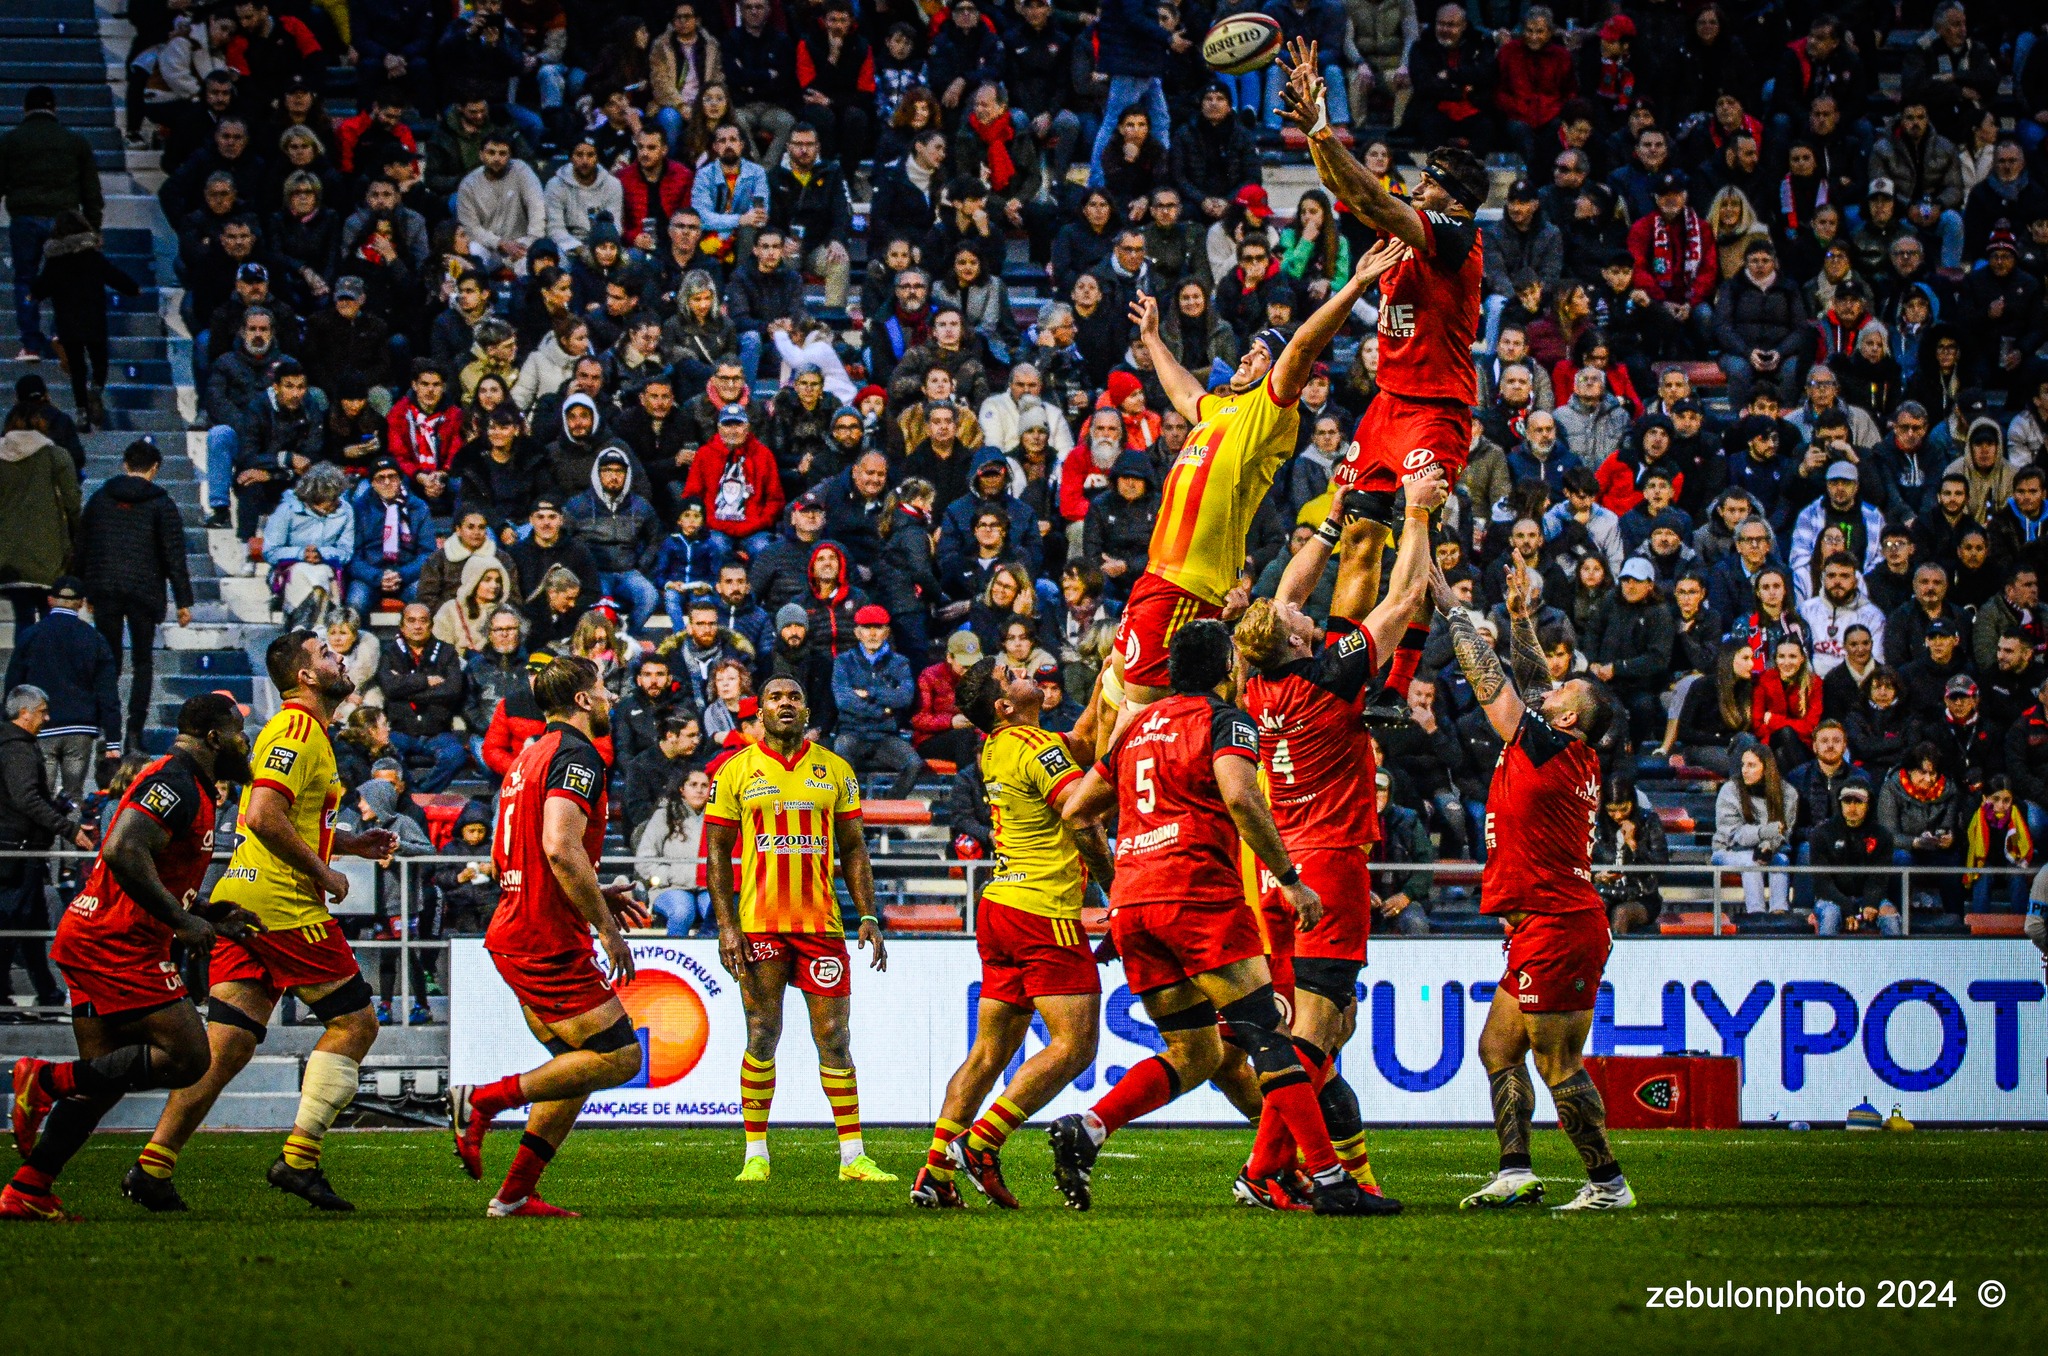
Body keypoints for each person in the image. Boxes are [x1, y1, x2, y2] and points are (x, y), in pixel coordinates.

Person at [1053, 620, 1388, 1216]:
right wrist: (1288, 879)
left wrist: (1119, 884)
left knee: (1196, 1052)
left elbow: (1078, 811)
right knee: (1270, 1037)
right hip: (1196, 898)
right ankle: (1332, 1180)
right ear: (1223, 666)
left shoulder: (1135, 729)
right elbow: (1240, 795)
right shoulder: (1224, 719)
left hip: (1135, 907)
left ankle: (1091, 1126)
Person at [1231, 464, 1448, 1201]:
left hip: (1282, 862)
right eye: (1299, 622)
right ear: (1294, 645)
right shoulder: (1330, 678)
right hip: (1328, 864)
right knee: (1317, 1033)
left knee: (1336, 1022)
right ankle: (1268, 1172)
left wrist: (1329, 529)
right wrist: (1416, 517)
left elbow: (1285, 595)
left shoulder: (1259, 681)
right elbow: (1404, 597)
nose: (1305, 613)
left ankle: (1274, 1169)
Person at [1095, 241, 1405, 742]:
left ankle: (1126, 816)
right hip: (1157, 577)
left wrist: (1353, 286)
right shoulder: (1219, 410)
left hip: (1187, 587)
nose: (1247, 356)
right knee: (1106, 700)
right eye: (1251, 348)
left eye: (1262, 355)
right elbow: (1185, 393)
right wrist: (1152, 339)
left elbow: (1302, 346)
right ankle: (1083, 816)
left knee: (1136, 720)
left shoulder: (1270, 412)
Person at [133, 630, 399, 1212]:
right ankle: (299, 1160)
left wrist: (348, 844)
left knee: (226, 1044)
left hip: (243, 898)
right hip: (281, 907)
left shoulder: (305, 734)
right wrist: (327, 876)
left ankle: (153, 1165)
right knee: (356, 1025)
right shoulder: (300, 730)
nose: (341, 659)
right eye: (328, 655)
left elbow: (284, 816)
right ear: (305, 677)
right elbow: (262, 811)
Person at [1425, 556, 1635, 1212]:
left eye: (1568, 692)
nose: (1557, 687)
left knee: (1558, 1065)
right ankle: (1516, 1170)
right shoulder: (1561, 744)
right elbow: (1534, 679)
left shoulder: (1553, 746)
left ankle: (1607, 1182)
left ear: (1569, 721)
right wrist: (1519, 621)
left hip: (1559, 922)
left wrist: (1452, 608)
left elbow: (1493, 685)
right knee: (1497, 1046)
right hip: (1539, 922)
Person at [2, 695, 253, 1220]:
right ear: (212, 737)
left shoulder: (190, 784)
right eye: (237, 732)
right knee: (190, 1057)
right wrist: (184, 923)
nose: (244, 742)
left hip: (95, 936)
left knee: (102, 1081)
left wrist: (203, 909)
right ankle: (43, 1079)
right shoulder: (175, 782)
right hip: (116, 945)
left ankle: (29, 1187)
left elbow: (152, 865)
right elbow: (121, 850)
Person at [447, 657, 649, 1218]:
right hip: (543, 936)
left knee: (576, 1063)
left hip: (521, 922)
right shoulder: (577, 755)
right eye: (604, 688)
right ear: (584, 699)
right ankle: (480, 1100)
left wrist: (593, 893)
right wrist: (607, 930)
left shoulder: (527, 756)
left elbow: (512, 851)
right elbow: (560, 846)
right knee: (620, 1058)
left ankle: (513, 1195)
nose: (610, 697)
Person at [910, 657, 1113, 1210]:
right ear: (1004, 705)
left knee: (989, 1053)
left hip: (1000, 907)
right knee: (1075, 1045)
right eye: (1011, 674)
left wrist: (1105, 682)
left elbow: (1081, 739)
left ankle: (934, 1171)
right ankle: (981, 1143)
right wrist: (1117, 886)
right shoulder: (1035, 749)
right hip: (1042, 913)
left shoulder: (1002, 746)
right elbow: (1082, 815)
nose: (1025, 672)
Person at [1277, 42, 1487, 519]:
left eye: (1428, 183)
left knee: (1416, 526)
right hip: (1388, 402)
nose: (1415, 189)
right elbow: (1341, 185)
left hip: (1435, 408)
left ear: (1456, 201)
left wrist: (1322, 127)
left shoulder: (1460, 237)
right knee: (1356, 533)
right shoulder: (1414, 233)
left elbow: (1372, 200)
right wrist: (1315, 120)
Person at [703, 675, 891, 1183]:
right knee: (762, 1033)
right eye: (775, 697)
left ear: (807, 709)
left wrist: (869, 915)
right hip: (759, 925)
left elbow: (853, 848)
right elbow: (717, 853)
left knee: (834, 1037)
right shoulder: (735, 771)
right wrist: (726, 927)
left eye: (795, 696)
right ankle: (755, 1154)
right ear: (759, 711)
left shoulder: (836, 770)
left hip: (821, 926)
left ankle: (852, 1156)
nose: (786, 704)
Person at [77, 440, 197, 754]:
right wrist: (184, 601)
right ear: (155, 468)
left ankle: (109, 731)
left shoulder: (101, 498)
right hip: (144, 592)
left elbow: (84, 546)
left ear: (124, 464)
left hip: (104, 589)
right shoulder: (161, 503)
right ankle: (134, 733)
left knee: (109, 663)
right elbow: (174, 555)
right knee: (142, 662)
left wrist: (82, 589)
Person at [0, 87, 104, 364]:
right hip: (65, 222)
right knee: (67, 280)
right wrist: (93, 229)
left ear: (25, 110)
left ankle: (31, 344)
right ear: (54, 109)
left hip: (24, 219)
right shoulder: (75, 142)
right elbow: (91, 192)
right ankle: (62, 334)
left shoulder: (9, 141)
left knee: (25, 279)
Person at [4, 578, 124, 802]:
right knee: (73, 797)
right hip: (81, 728)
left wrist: (8, 728)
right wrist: (113, 742)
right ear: (81, 603)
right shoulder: (95, 639)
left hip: (40, 727)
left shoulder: (31, 635)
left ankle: (43, 838)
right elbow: (108, 694)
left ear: (50, 601)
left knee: (40, 796)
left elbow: (13, 686)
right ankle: (73, 836)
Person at [831, 606, 923, 800]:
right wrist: (883, 711)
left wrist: (869, 693)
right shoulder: (843, 662)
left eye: (878, 627)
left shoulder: (900, 663)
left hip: (885, 735)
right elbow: (844, 701)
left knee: (914, 764)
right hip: (851, 733)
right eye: (866, 627)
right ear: (857, 632)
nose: (872, 633)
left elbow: (905, 698)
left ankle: (888, 806)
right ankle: (854, 811)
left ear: (887, 632)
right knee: (840, 757)